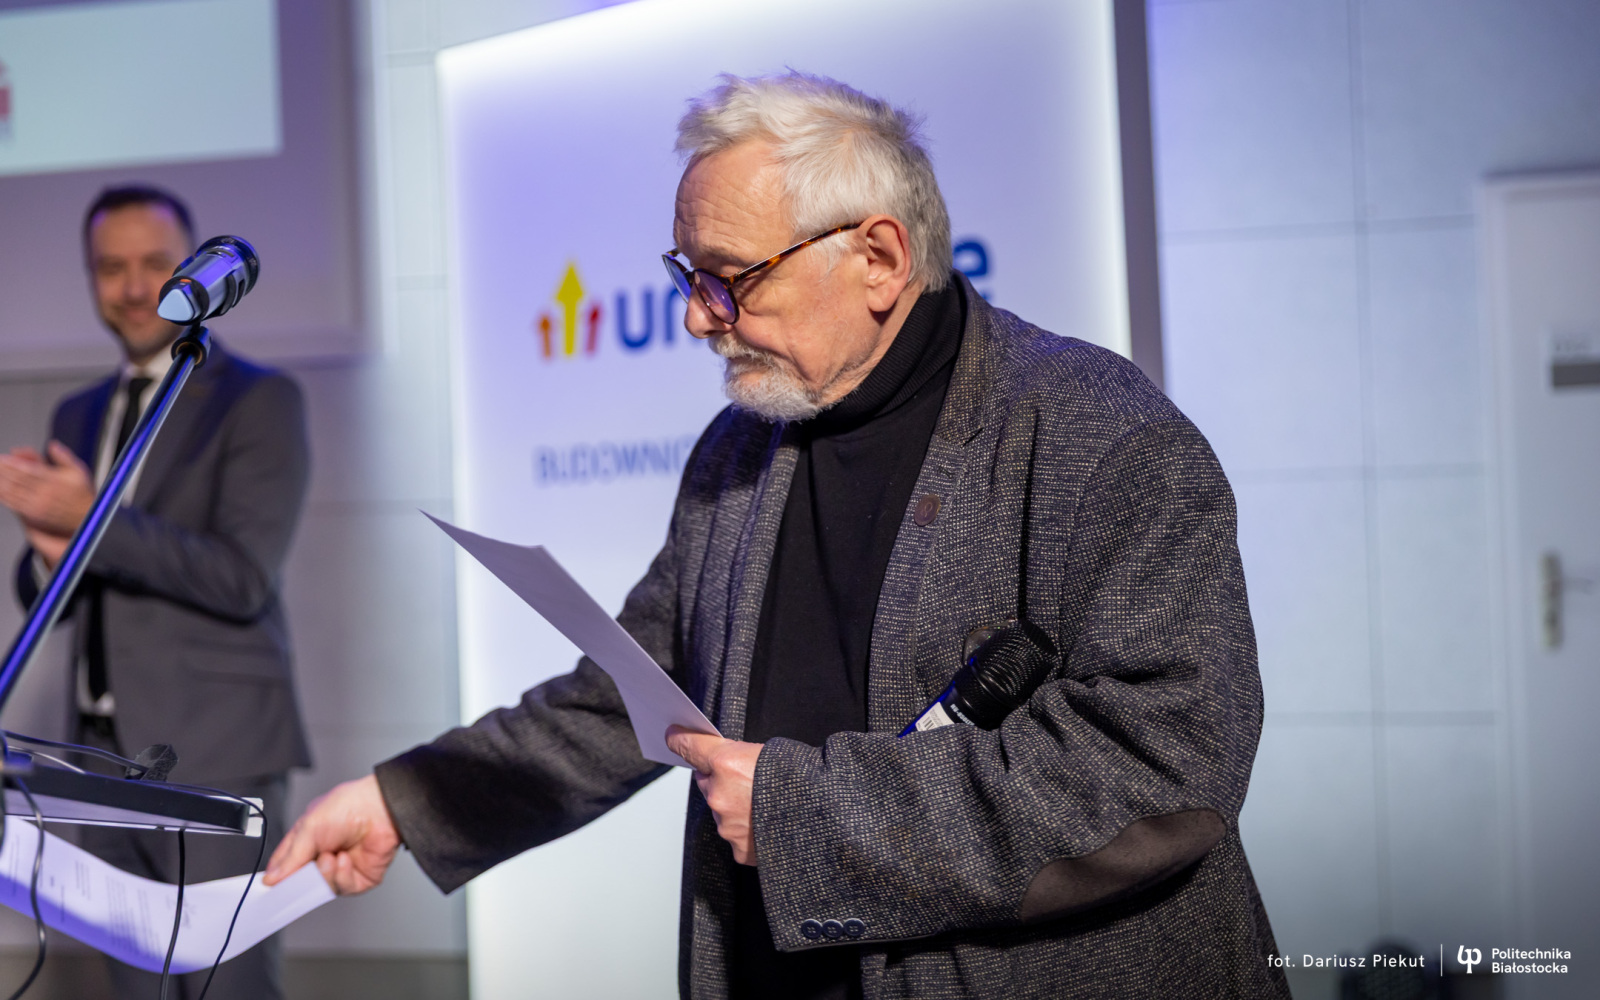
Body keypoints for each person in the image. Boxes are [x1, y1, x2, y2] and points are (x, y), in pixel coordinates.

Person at [266, 73, 1289, 999]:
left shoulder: (1097, 431)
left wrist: (805, 813)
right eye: (688, 277)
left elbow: (1167, 759)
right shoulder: (740, 448)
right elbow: (628, 696)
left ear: (878, 258)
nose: (697, 319)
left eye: (732, 278)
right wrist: (405, 801)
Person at [0, 185, 311, 1000]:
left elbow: (242, 578)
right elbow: (54, 589)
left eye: (155, 265)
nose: (135, 288)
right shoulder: (77, 411)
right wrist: (49, 550)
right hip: (100, 757)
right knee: (136, 988)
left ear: (195, 270)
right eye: (111, 268)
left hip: (217, 751)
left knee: (227, 987)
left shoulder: (259, 400)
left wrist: (88, 519)